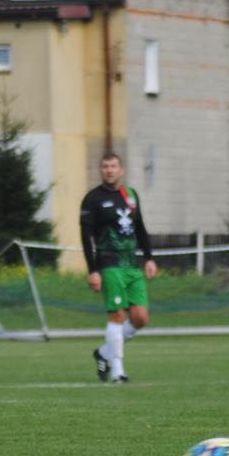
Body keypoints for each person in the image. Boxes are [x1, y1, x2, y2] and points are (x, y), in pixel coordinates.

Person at [79, 151, 157, 383]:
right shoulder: (92, 199)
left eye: (113, 166)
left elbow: (140, 228)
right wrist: (93, 270)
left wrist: (149, 258)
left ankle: (103, 352)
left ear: (121, 170)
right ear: (101, 170)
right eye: (105, 166)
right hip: (108, 263)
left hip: (131, 264)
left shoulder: (130, 195)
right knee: (117, 315)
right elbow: (85, 237)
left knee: (140, 318)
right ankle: (118, 372)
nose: (109, 170)